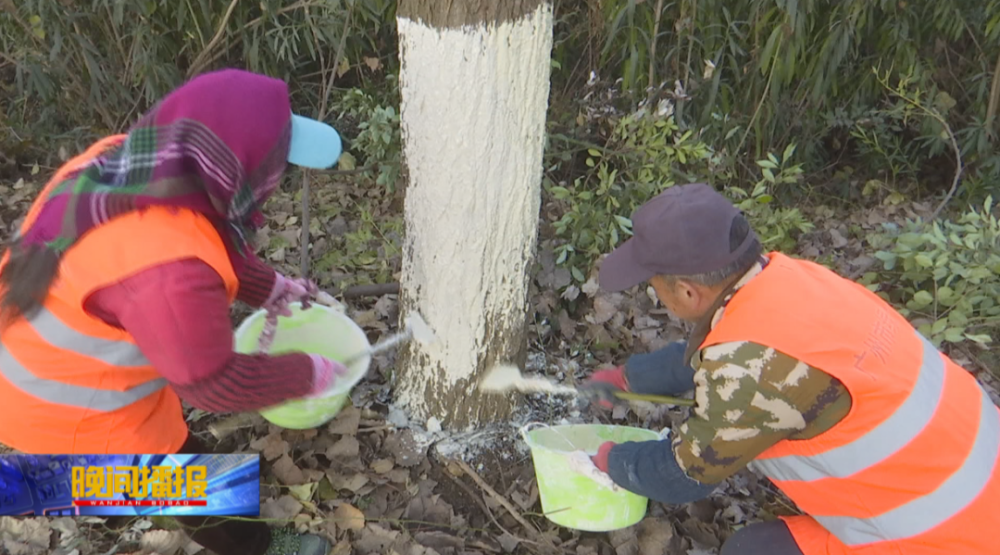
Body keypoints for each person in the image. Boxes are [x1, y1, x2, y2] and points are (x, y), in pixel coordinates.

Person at [0, 69, 351, 555]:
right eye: (274, 170)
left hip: (28, 339)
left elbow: (197, 230)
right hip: (64, 403)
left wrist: (270, 286)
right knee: (186, 476)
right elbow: (209, 382)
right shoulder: (168, 273)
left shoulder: (134, 159)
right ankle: (255, 546)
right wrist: (305, 374)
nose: (277, 181)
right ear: (232, 170)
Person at [579, 183, 1000, 555]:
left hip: (944, 537)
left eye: (655, 286)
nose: (655, 295)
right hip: (979, 486)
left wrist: (609, 460)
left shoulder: (747, 365)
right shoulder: (790, 281)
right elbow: (735, 354)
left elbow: (683, 475)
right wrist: (631, 378)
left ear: (688, 292)